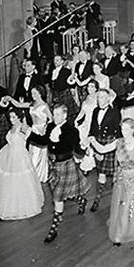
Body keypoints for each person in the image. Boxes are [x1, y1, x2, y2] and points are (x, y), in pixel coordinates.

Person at [91, 118, 134, 245]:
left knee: (130, 204)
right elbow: (103, 149)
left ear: (133, 130)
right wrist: (93, 140)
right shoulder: (118, 142)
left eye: (127, 129)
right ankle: (120, 232)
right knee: (121, 205)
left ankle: (132, 230)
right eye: (122, 128)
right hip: (121, 178)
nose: (124, 131)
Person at [40, 104, 89, 243]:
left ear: (65, 115)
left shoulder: (71, 131)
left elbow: (78, 150)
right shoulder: (50, 127)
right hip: (52, 165)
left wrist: (84, 147)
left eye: (58, 114)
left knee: (58, 197)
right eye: (54, 114)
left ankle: (53, 229)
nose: (55, 117)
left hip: (66, 165)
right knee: (62, 193)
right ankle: (81, 200)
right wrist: (31, 134)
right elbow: (44, 141)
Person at [0, 109, 44, 220]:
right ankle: (7, 202)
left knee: (20, 180)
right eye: (10, 117)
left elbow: (36, 139)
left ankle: (20, 205)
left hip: (20, 157)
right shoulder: (11, 127)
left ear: (19, 117)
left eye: (14, 117)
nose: (11, 120)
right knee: (8, 181)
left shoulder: (23, 128)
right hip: (8, 155)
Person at [4, 85, 52, 183]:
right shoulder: (32, 104)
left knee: (37, 155)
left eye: (35, 93)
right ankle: (31, 176)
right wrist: (10, 99)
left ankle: (37, 176)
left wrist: (47, 128)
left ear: (40, 93)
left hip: (41, 131)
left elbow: (51, 119)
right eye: (32, 93)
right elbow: (18, 105)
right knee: (31, 153)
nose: (32, 95)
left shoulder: (44, 106)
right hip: (33, 129)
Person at [88, 88, 121, 212]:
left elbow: (117, 130)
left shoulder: (115, 112)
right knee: (101, 173)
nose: (99, 99)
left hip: (110, 142)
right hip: (98, 141)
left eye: (102, 97)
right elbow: (92, 128)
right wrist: (92, 145)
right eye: (98, 97)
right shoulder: (95, 110)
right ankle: (97, 200)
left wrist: (118, 145)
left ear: (108, 98)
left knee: (115, 174)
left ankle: (117, 200)